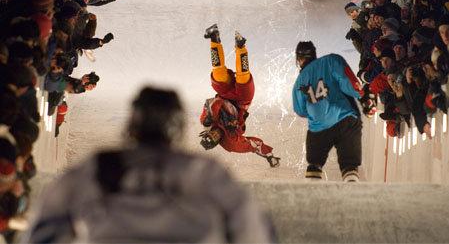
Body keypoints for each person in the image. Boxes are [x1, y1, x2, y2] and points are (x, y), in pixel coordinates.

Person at [22, 86, 276, 243]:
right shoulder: (203, 171)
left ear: (132, 126)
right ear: (177, 129)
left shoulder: (99, 167)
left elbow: (46, 228)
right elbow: (250, 227)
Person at [292, 41, 375, 181]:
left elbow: (300, 111)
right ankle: (351, 181)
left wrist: (318, 111)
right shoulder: (331, 60)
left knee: (314, 165)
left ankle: (312, 190)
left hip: (318, 129)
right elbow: (348, 82)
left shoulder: (299, 82)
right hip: (346, 120)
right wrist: (363, 96)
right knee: (349, 167)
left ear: (299, 59)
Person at [200, 24, 280, 167]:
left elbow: (213, 102)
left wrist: (210, 116)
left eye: (211, 135)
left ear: (207, 133)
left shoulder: (207, 121)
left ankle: (214, 37)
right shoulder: (232, 143)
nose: (215, 134)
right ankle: (241, 46)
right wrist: (269, 155)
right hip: (242, 101)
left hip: (224, 94)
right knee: (243, 78)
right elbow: (252, 145)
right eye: (215, 138)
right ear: (218, 142)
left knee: (218, 74)